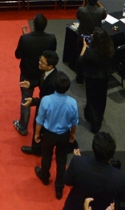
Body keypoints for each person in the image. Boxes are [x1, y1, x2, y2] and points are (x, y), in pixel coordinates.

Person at [34, 71, 78, 200]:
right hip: (64, 134)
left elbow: (40, 119)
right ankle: (59, 188)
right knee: (61, 160)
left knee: (46, 156)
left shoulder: (46, 100)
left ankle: (45, 176)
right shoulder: (72, 102)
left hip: (48, 134)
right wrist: (72, 134)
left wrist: (37, 134)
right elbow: (74, 122)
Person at [14, 15, 57, 136]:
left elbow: (18, 55)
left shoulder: (25, 39)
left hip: (28, 74)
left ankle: (23, 127)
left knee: (26, 100)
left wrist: (25, 37)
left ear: (33, 25)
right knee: (45, 98)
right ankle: (44, 125)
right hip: (44, 74)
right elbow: (52, 55)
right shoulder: (52, 38)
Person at [63, 132, 125, 210]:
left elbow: (67, 181)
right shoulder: (120, 178)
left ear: (93, 150)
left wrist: (79, 160)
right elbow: (121, 198)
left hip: (75, 206)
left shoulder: (77, 162)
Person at [79, 28, 113, 133]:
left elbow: (81, 60)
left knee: (92, 99)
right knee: (101, 98)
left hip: (92, 79)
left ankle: (95, 125)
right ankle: (95, 115)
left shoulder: (90, 52)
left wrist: (84, 47)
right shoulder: (110, 49)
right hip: (104, 77)